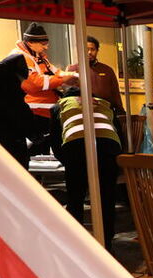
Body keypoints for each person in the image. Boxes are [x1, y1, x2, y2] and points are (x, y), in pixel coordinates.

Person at [50, 88, 122, 251]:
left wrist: (67, 160)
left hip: (76, 148)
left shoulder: (59, 106)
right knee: (106, 199)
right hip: (108, 148)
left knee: (75, 197)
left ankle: (76, 244)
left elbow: (55, 140)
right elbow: (119, 133)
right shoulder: (105, 104)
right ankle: (107, 244)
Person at [10, 23, 78, 156]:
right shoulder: (20, 57)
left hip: (46, 110)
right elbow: (33, 84)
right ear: (30, 42)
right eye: (43, 44)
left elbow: (56, 72)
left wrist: (72, 75)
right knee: (37, 150)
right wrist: (63, 80)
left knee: (46, 146)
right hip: (34, 111)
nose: (46, 47)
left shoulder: (38, 55)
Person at [66, 36, 125, 119]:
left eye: (92, 49)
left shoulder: (107, 70)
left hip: (105, 112)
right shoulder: (73, 70)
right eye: (86, 49)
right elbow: (69, 95)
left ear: (97, 51)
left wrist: (121, 112)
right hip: (81, 113)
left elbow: (115, 94)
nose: (89, 52)